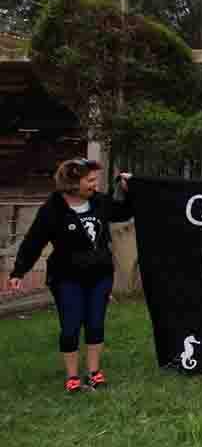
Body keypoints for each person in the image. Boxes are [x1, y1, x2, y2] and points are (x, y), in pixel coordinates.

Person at [8, 159, 133, 392]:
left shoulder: (99, 202)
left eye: (95, 180)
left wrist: (128, 191)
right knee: (71, 326)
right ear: (73, 183)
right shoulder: (52, 209)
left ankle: (94, 373)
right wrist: (19, 271)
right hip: (66, 277)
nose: (95, 185)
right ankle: (73, 377)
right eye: (90, 180)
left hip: (100, 275)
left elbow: (123, 212)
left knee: (95, 324)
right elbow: (34, 241)